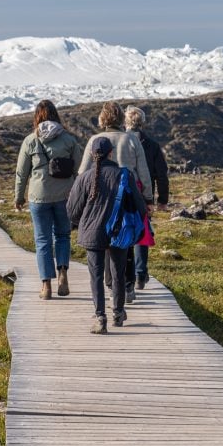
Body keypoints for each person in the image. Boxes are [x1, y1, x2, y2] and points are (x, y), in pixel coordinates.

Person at [67, 137, 148, 334]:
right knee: (118, 272)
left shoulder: (84, 178)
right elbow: (139, 205)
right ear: (111, 153)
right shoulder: (124, 175)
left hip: (92, 232)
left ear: (92, 155)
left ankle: (100, 316)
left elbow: (71, 210)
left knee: (96, 275)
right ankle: (118, 313)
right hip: (119, 231)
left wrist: (84, 222)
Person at [77, 101, 153, 301]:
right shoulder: (131, 140)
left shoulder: (95, 139)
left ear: (102, 119)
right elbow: (143, 171)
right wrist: (148, 199)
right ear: (121, 119)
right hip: (127, 197)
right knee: (125, 241)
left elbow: (83, 172)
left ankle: (111, 285)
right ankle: (127, 286)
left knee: (105, 241)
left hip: (100, 196)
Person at [14, 100, 83, 300]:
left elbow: (21, 173)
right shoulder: (69, 140)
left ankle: (46, 286)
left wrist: (18, 197)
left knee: (42, 240)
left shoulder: (30, 141)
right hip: (65, 196)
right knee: (62, 236)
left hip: (39, 197)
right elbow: (80, 171)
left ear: (37, 117)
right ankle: (62, 274)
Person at [125, 106, 169, 289]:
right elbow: (162, 174)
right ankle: (140, 274)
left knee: (124, 230)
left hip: (122, 193)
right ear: (142, 122)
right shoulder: (151, 145)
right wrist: (162, 200)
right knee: (141, 231)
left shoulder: (119, 141)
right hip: (144, 195)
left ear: (126, 121)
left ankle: (126, 274)